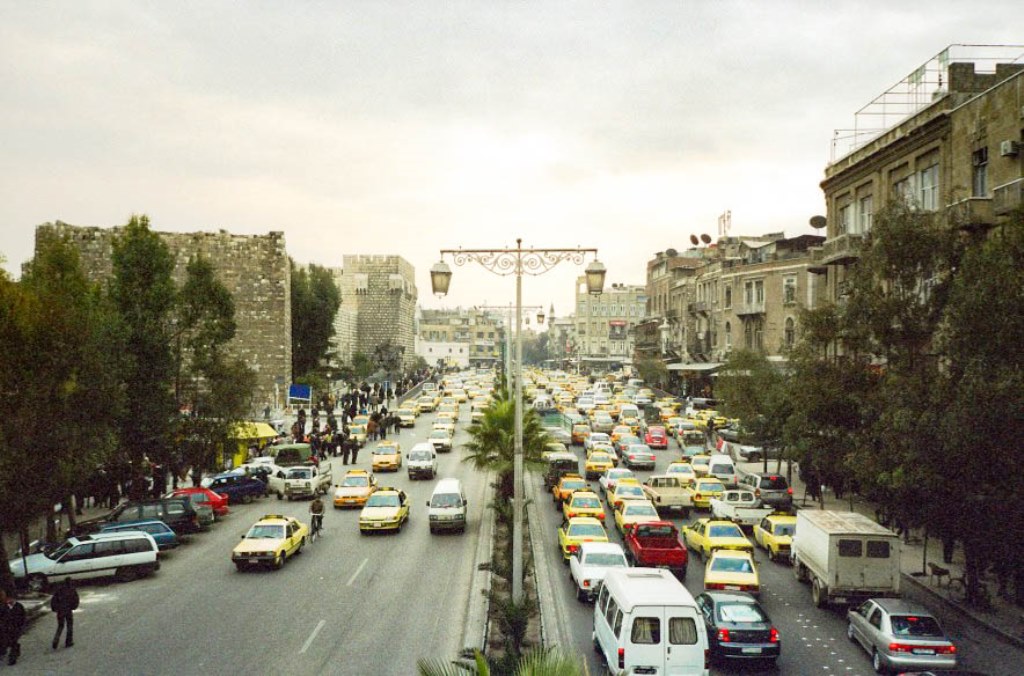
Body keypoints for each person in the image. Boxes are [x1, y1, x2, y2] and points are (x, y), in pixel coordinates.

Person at [50, 577, 79, 650]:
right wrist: (73, 607)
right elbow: (76, 600)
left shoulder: (59, 590)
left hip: (60, 610)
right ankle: (68, 641)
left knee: (60, 626)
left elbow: (53, 600)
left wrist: (54, 608)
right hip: (68, 610)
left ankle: (56, 639)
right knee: (69, 625)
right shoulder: (72, 590)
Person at [0, 587, 27, 666]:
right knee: (4, 640)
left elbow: (22, 617)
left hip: (14, 627)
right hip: (4, 627)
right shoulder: (3, 606)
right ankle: (4, 650)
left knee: (12, 641)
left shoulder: (16, 606)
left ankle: (13, 656)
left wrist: (21, 626)